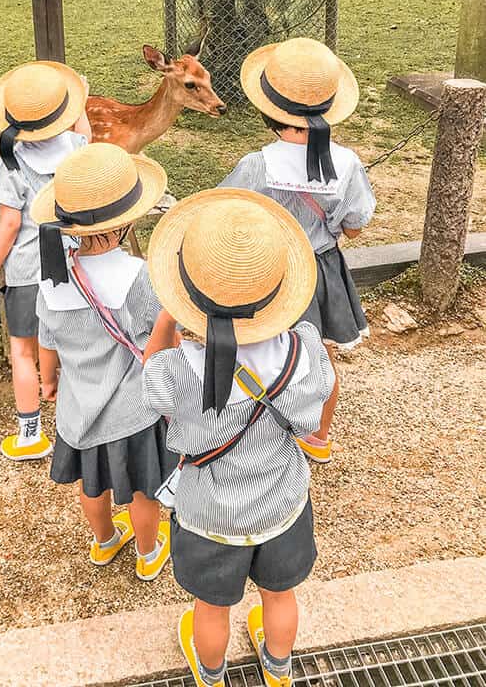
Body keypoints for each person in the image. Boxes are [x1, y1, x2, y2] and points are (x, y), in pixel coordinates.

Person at [142, 188, 335, 687]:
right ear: (279, 287)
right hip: (281, 502)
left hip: (209, 512)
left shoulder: (180, 368)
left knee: (210, 607)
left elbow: (151, 383)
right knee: (280, 595)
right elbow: (318, 409)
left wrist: (168, 320)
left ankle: (211, 674)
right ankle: (277, 668)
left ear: (187, 298)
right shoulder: (305, 349)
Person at [219, 37, 375, 463]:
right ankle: (318, 437)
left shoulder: (257, 164)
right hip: (322, 270)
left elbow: (225, 214)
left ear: (269, 110)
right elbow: (355, 228)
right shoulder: (347, 164)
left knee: (262, 352)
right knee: (319, 355)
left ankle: (261, 438)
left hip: (268, 269)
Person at [30, 142, 176, 580]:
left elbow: (47, 339)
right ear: (125, 221)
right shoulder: (137, 276)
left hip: (79, 407)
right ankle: (149, 554)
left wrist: (49, 381)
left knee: (92, 485)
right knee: (141, 489)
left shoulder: (53, 279)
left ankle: (105, 541)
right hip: (133, 410)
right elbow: (158, 338)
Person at [0, 61, 90, 462]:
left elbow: (9, 223)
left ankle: (30, 435)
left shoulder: (11, 163)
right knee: (72, 348)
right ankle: (78, 427)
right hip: (73, 266)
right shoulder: (76, 150)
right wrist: (83, 106)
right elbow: (84, 135)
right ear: (64, 115)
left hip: (25, 270)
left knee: (23, 352)